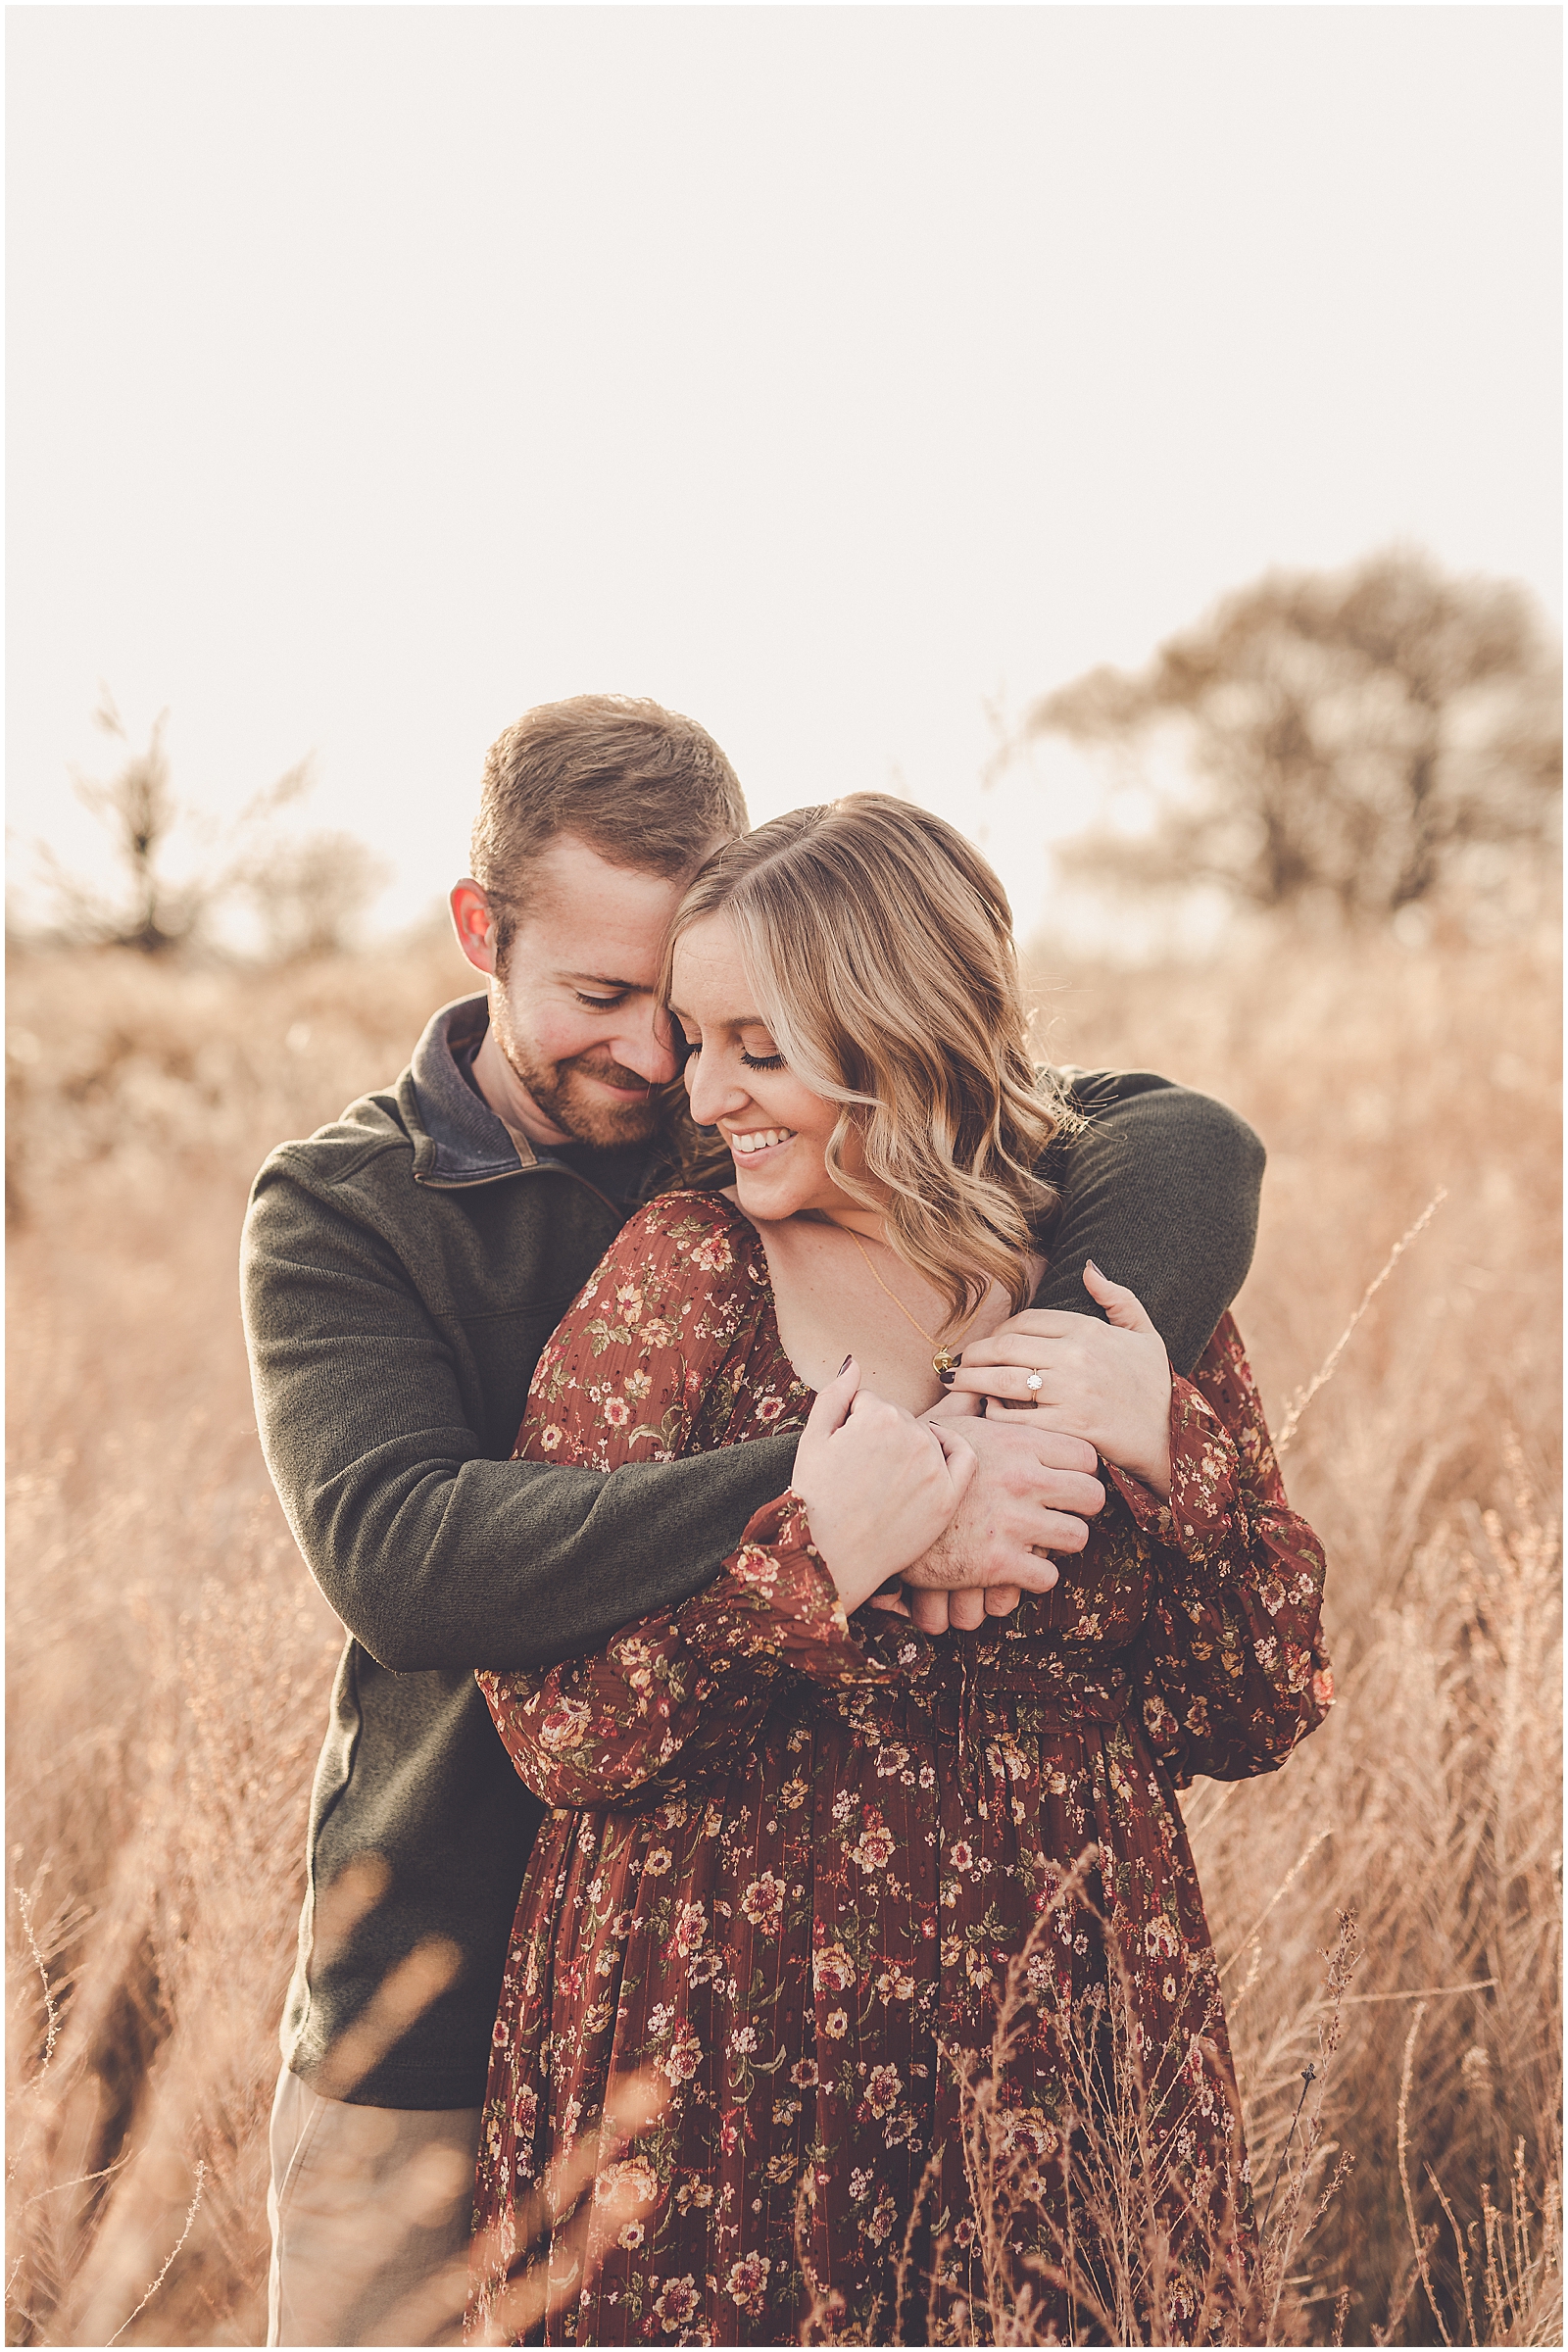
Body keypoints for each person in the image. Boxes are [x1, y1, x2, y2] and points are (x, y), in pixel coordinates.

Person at [242, 698, 1267, 2346]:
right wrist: (867, 1479)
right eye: (601, 997)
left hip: (812, 2031)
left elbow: (1184, 1133)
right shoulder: (347, 1208)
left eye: (697, 1005)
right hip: (441, 1981)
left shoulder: (760, 1120)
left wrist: (1044, 1395)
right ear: (475, 932)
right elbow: (402, 1557)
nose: (660, 1062)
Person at [466, 797, 1331, 2348]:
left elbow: (1255, 1707)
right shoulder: (685, 1281)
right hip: (721, 2073)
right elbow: (558, 1731)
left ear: (899, 1035)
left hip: (1068, 2057)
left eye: (755, 1046)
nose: (702, 1090)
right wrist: (817, 1565)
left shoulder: (1113, 1291)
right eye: (692, 1036)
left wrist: (1163, 1441)